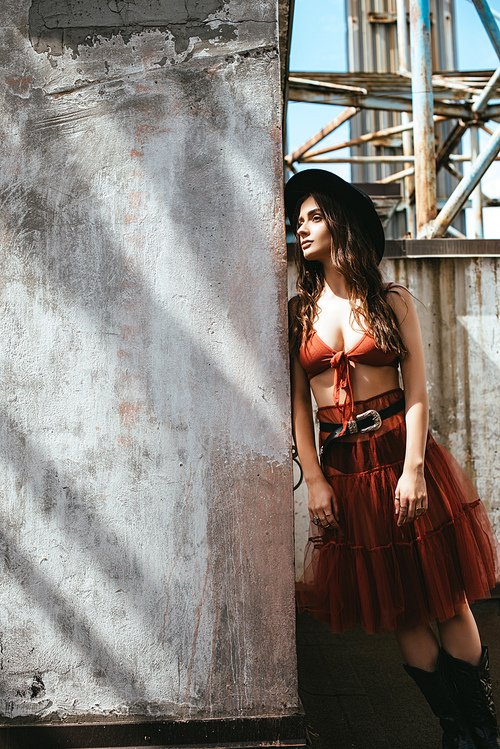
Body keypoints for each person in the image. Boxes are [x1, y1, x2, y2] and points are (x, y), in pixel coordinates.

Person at [286, 168, 500, 749]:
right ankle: (454, 732)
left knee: (445, 597)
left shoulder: (392, 299)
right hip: (345, 467)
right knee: (401, 607)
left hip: (403, 453)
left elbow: (420, 392)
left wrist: (412, 472)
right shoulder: (296, 312)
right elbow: (299, 407)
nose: (300, 228)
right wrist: (316, 481)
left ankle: (483, 732)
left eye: (312, 217)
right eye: (297, 220)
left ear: (341, 222)